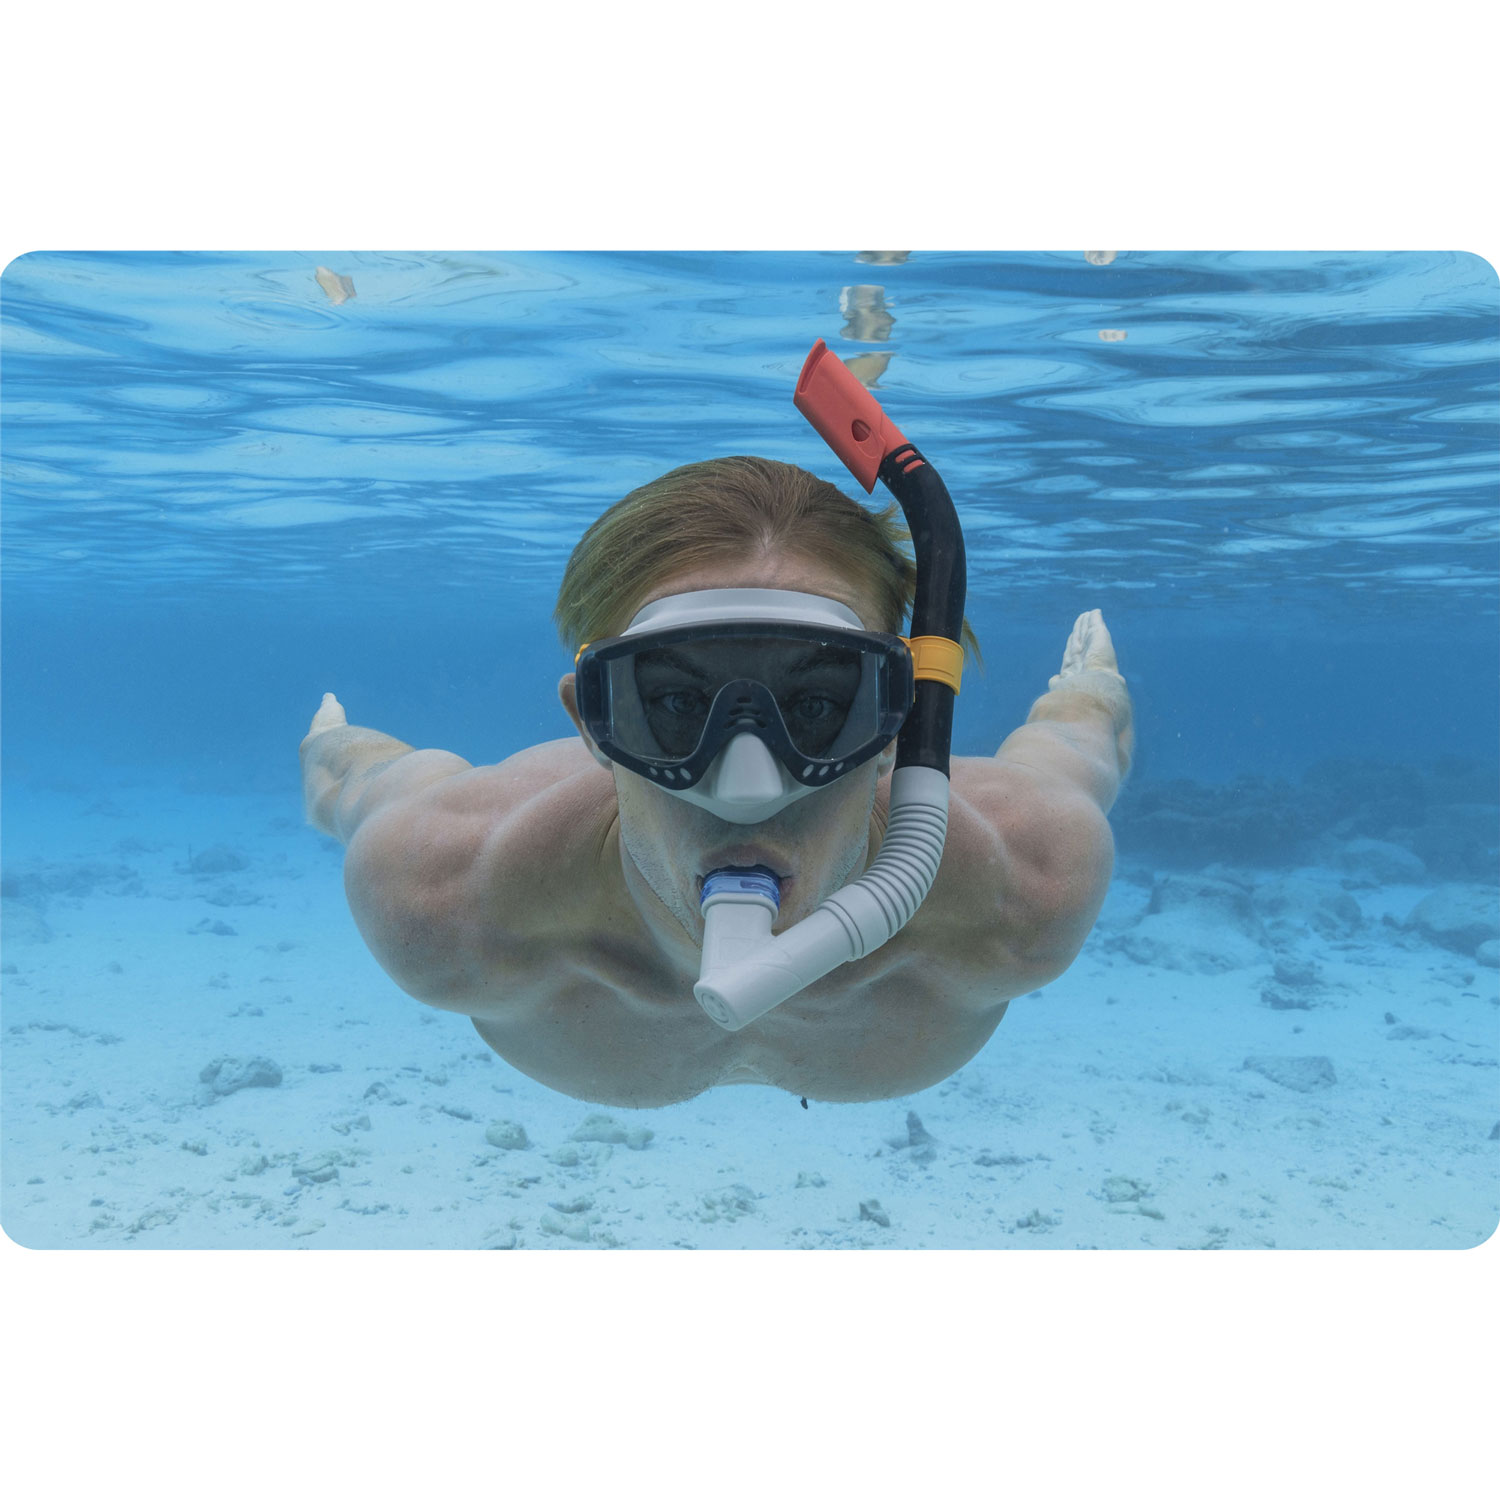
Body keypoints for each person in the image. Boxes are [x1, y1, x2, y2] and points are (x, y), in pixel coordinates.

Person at [299, 455, 1133, 1109]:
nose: (748, 786)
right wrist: (331, 746)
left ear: (905, 725)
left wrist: (1089, 691)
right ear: (593, 724)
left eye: (818, 703)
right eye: (672, 702)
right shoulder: (442, 896)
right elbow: (356, 785)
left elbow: (1081, 748)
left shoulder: (1029, 882)